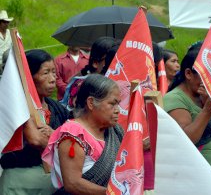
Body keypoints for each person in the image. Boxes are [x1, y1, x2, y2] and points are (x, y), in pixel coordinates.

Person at [164, 43, 211, 182]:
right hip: (193, 178)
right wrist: (207, 111)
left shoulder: (206, 97)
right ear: (188, 74)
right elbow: (187, 140)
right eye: (207, 76)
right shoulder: (174, 98)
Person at [0, 49, 70, 194]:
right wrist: (60, 139)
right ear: (29, 78)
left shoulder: (56, 108)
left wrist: (56, 135)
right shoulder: (17, 106)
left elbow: (73, 138)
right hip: (20, 183)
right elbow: (37, 140)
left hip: (51, 182)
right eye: (46, 73)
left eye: (54, 72)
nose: (52, 79)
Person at [42, 74, 123, 194]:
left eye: (118, 104)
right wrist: (114, 193)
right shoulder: (73, 134)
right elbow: (73, 184)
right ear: (91, 103)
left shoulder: (114, 131)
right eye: (112, 104)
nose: (118, 110)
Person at [60, 37, 119, 111]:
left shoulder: (117, 84)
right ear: (95, 63)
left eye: (117, 60)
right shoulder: (83, 86)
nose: (115, 65)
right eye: (109, 60)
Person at [0, 10, 13, 75]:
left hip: (9, 63)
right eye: (4, 22)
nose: (6, 24)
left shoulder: (11, 33)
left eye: (7, 22)